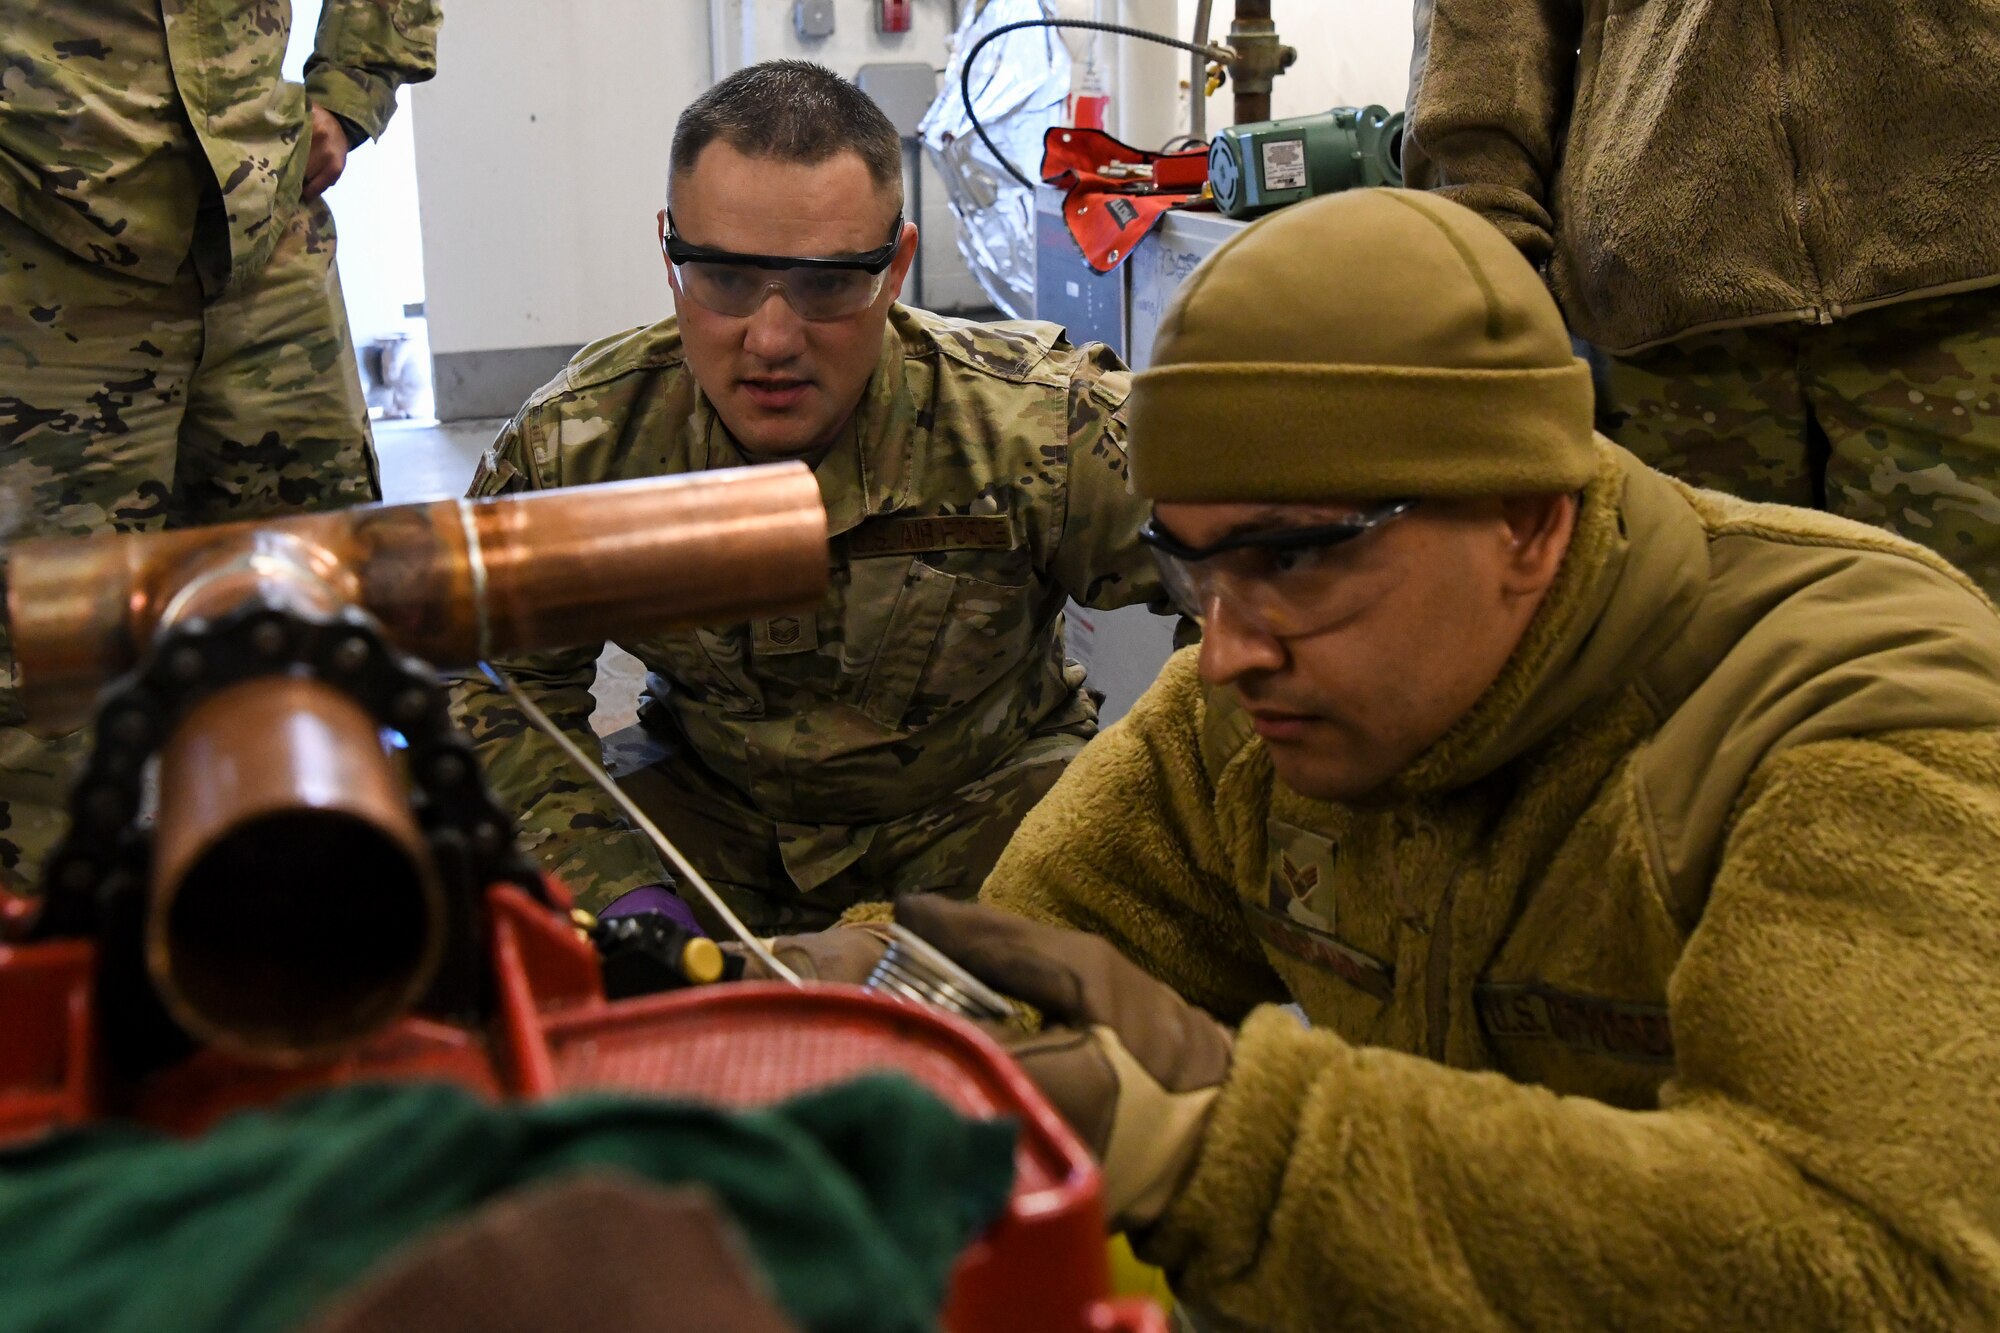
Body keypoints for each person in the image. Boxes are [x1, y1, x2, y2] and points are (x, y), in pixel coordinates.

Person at [849, 189, 2000, 1330]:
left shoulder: (1850, 718)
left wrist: (1226, 1137)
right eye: (1192, 571)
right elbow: (1031, 968)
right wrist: (841, 999)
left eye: (1293, 557)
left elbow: (1890, 1268)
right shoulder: (1259, 712)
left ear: (1524, 518)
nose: (1223, 652)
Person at [451, 61, 1162, 932]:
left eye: (828, 283)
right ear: (669, 252)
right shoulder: (582, 443)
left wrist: (1137, 806)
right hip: (709, 821)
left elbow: (1256, 578)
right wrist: (623, 896)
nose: (774, 338)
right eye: (724, 277)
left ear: (896, 265)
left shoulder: (1036, 424)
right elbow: (500, 688)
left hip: (986, 821)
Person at [0, 1, 440, 887]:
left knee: (319, 636)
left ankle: (329, 968)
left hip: (261, 227)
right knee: (35, 690)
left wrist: (351, 93)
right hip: (34, 238)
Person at [1401, 0, 2000, 598]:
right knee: (1696, 659)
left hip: (1964, 290)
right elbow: (1480, 27)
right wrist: (1483, 263)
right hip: (1664, 318)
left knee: (1975, 659)